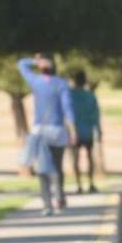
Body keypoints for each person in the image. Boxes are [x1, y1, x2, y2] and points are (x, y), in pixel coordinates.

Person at [18, 54, 76, 216]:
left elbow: (21, 64)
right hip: (58, 131)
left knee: (43, 169)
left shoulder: (35, 82)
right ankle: (59, 197)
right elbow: (68, 109)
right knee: (57, 166)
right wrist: (73, 130)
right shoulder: (62, 84)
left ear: (41, 67)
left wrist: (34, 61)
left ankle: (47, 204)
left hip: (40, 131)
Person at [70, 70, 102, 194]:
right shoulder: (90, 95)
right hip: (88, 131)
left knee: (76, 158)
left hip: (75, 132)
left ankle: (79, 185)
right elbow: (96, 115)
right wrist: (98, 131)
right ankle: (91, 183)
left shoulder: (70, 95)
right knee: (89, 157)